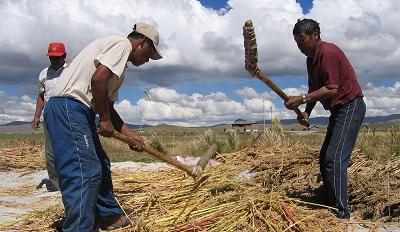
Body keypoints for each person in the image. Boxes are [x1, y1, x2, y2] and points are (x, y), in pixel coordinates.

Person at [44, 22, 163, 231]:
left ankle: (108, 216)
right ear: (142, 43)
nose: (147, 61)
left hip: (80, 110)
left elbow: (107, 106)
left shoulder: (119, 64)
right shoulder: (121, 45)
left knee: (101, 163)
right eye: (149, 55)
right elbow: (98, 79)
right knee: (84, 171)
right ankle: (78, 227)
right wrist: (104, 121)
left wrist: (129, 135)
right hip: (69, 106)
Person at [285, 18, 366, 219]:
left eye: (302, 40)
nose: (300, 46)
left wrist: (302, 99)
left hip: (350, 106)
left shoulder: (327, 53)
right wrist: (307, 112)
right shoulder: (310, 60)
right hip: (338, 111)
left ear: (315, 35)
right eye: (296, 42)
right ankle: (330, 201)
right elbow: (314, 89)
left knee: (335, 159)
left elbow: (331, 88)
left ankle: (341, 213)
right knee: (325, 158)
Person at [32, 42, 67, 192]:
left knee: (67, 148)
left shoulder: (71, 71)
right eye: (52, 57)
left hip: (67, 113)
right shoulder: (44, 73)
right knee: (51, 152)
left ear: (64, 56)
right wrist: (36, 117)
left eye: (57, 57)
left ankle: (70, 180)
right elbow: (41, 96)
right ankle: (56, 183)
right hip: (50, 115)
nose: (54, 60)